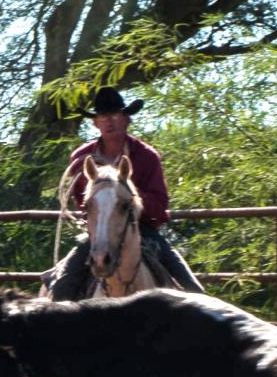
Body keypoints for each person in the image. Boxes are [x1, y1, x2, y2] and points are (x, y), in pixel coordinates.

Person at [45, 86, 204, 301]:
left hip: (143, 230)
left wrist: (128, 200)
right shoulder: (81, 157)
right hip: (97, 233)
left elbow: (159, 204)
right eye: (102, 116)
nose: (108, 121)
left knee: (193, 292)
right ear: (95, 122)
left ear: (126, 119)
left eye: (114, 115)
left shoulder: (146, 156)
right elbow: (81, 203)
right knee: (62, 288)